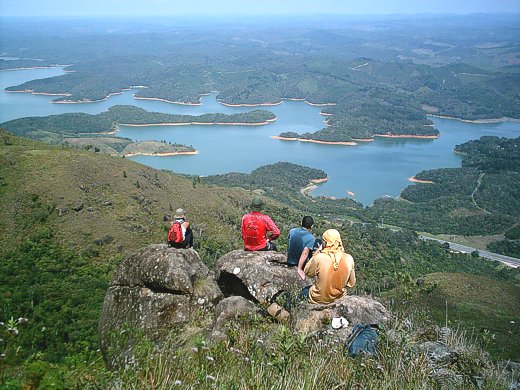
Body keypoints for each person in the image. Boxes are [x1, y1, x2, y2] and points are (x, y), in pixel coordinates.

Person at [301, 229, 356, 304]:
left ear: (326, 243)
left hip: (318, 298)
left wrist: (317, 253)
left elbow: (307, 272)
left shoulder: (320, 257)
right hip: (338, 298)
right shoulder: (349, 258)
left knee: (303, 291)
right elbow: (351, 283)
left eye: (323, 240)